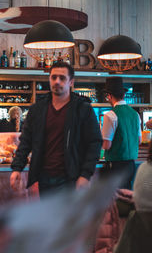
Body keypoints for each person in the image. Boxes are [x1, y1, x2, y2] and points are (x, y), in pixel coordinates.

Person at [10, 62, 102, 197]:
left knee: (70, 218)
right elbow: (26, 141)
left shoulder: (83, 109)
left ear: (71, 82)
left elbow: (94, 142)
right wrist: (17, 168)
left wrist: (85, 174)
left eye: (62, 78)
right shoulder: (37, 109)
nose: (57, 81)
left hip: (71, 178)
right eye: (54, 77)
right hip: (44, 178)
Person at [101, 77, 141, 189]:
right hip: (131, 165)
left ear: (109, 96)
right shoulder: (135, 114)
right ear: (123, 95)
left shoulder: (110, 115)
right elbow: (139, 140)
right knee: (127, 195)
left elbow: (106, 145)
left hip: (115, 165)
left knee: (115, 199)